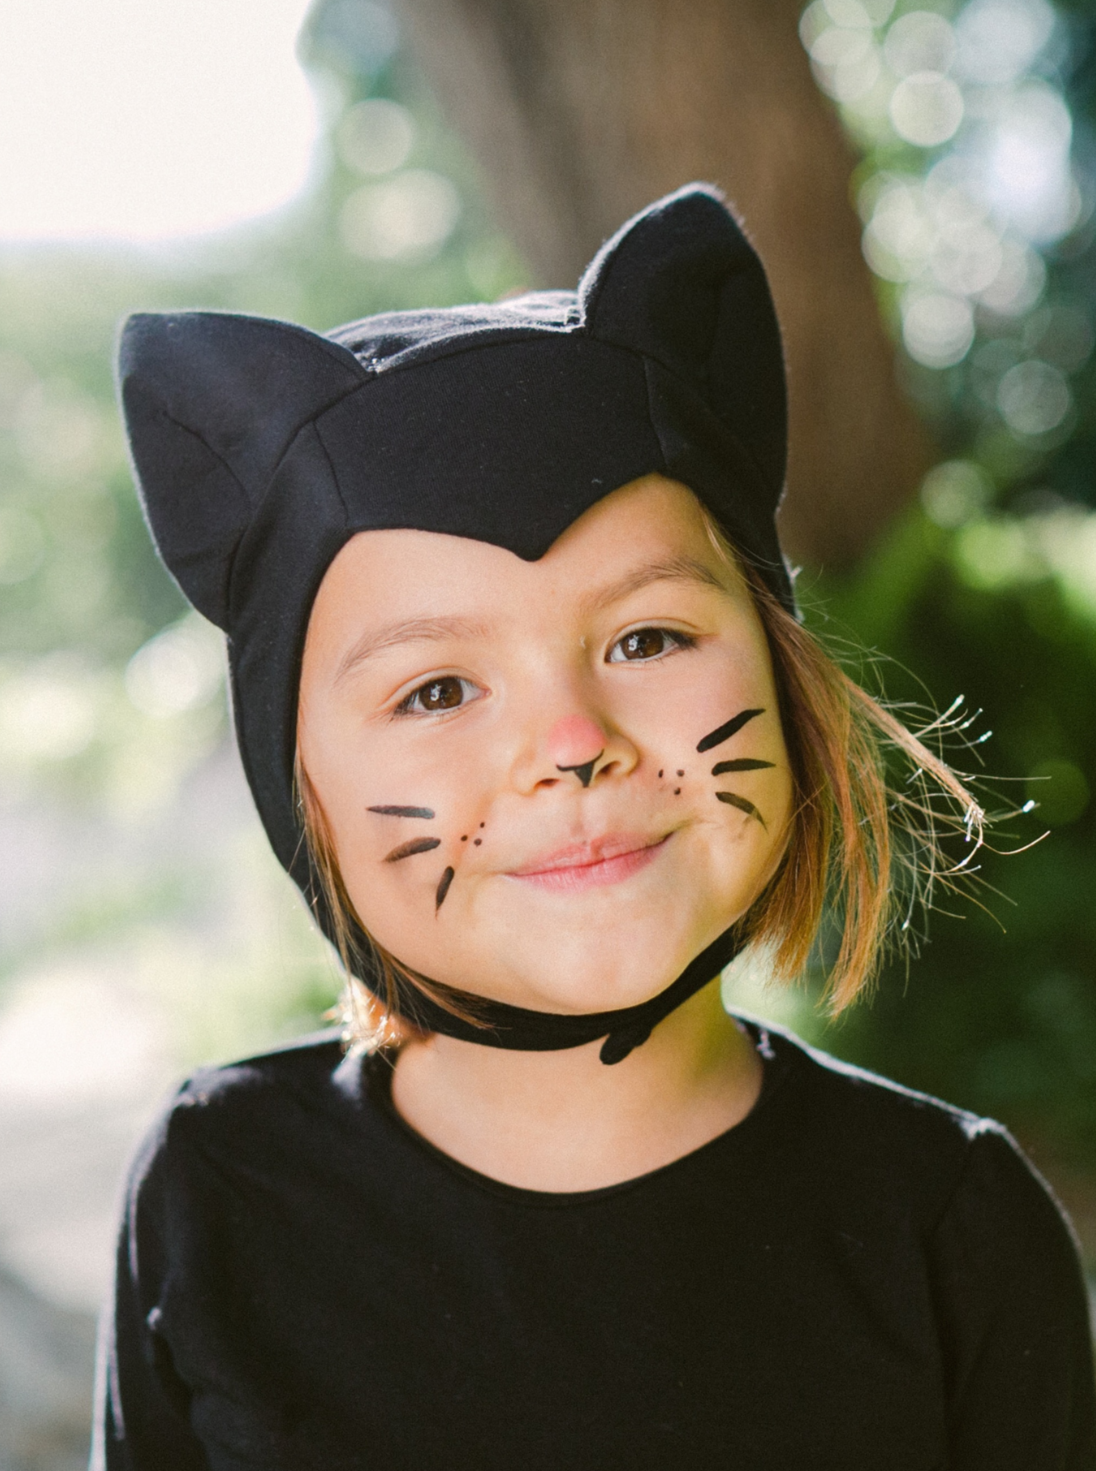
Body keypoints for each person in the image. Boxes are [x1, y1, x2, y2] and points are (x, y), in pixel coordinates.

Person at [93, 186, 1095, 1470]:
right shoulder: (215, 1194)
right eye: (435, 690)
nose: (571, 742)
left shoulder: (950, 1226)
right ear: (301, 793)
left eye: (647, 637)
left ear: (782, 673)